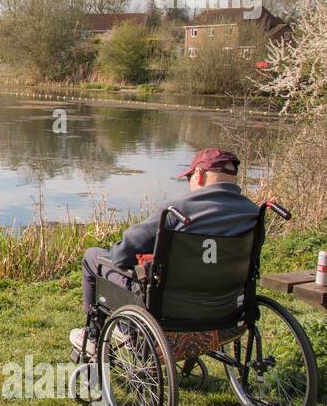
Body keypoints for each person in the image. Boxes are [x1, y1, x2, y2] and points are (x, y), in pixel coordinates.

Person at [71, 148, 259, 359]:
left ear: (199, 174)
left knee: (93, 256)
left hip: (171, 308)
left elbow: (123, 254)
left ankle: (93, 337)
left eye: (189, 177)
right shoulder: (252, 213)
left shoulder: (178, 211)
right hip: (227, 307)